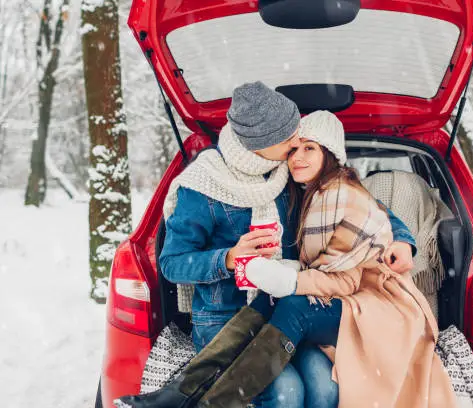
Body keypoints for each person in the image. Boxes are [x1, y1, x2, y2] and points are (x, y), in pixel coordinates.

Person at [119, 83, 416, 408]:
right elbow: (173, 264)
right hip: (228, 318)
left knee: (324, 386)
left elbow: (364, 210)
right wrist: (229, 258)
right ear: (262, 143)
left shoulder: (289, 172)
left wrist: (401, 240)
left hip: (290, 308)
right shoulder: (203, 184)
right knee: (286, 392)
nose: (296, 142)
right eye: (289, 137)